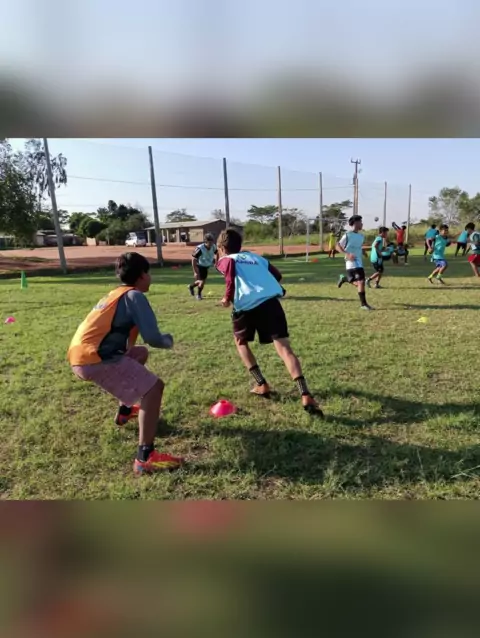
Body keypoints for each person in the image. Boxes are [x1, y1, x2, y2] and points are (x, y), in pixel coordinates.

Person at [67, 252, 183, 475]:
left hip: (81, 356)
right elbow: (153, 338)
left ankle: (125, 410)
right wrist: (168, 341)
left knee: (139, 354)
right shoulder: (134, 296)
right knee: (154, 388)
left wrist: (130, 352)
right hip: (94, 359)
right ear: (142, 275)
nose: (150, 278)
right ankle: (145, 458)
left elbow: (131, 340)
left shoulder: (116, 294)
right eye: (149, 273)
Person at [215, 228, 323, 416]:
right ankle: (305, 394)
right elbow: (277, 275)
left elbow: (229, 275)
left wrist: (226, 297)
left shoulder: (225, 260)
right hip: (271, 304)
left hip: (246, 307)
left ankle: (261, 384)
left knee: (241, 342)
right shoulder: (256, 258)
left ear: (222, 248)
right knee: (285, 349)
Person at [336, 215, 373, 310]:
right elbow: (337, 246)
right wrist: (347, 254)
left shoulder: (361, 236)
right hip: (351, 261)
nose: (362, 224)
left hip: (358, 261)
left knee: (358, 282)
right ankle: (363, 305)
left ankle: (344, 279)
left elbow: (357, 246)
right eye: (360, 222)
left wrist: (363, 251)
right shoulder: (347, 235)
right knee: (361, 282)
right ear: (355, 223)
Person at [188, 233, 218, 300]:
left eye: (212, 242)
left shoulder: (213, 246)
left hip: (206, 266)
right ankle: (198, 295)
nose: (211, 244)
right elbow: (193, 259)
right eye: (209, 242)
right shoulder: (200, 249)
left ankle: (191, 286)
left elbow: (217, 253)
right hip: (199, 265)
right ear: (205, 242)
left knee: (200, 281)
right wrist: (195, 272)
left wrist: (216, 262)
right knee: (202, 282)